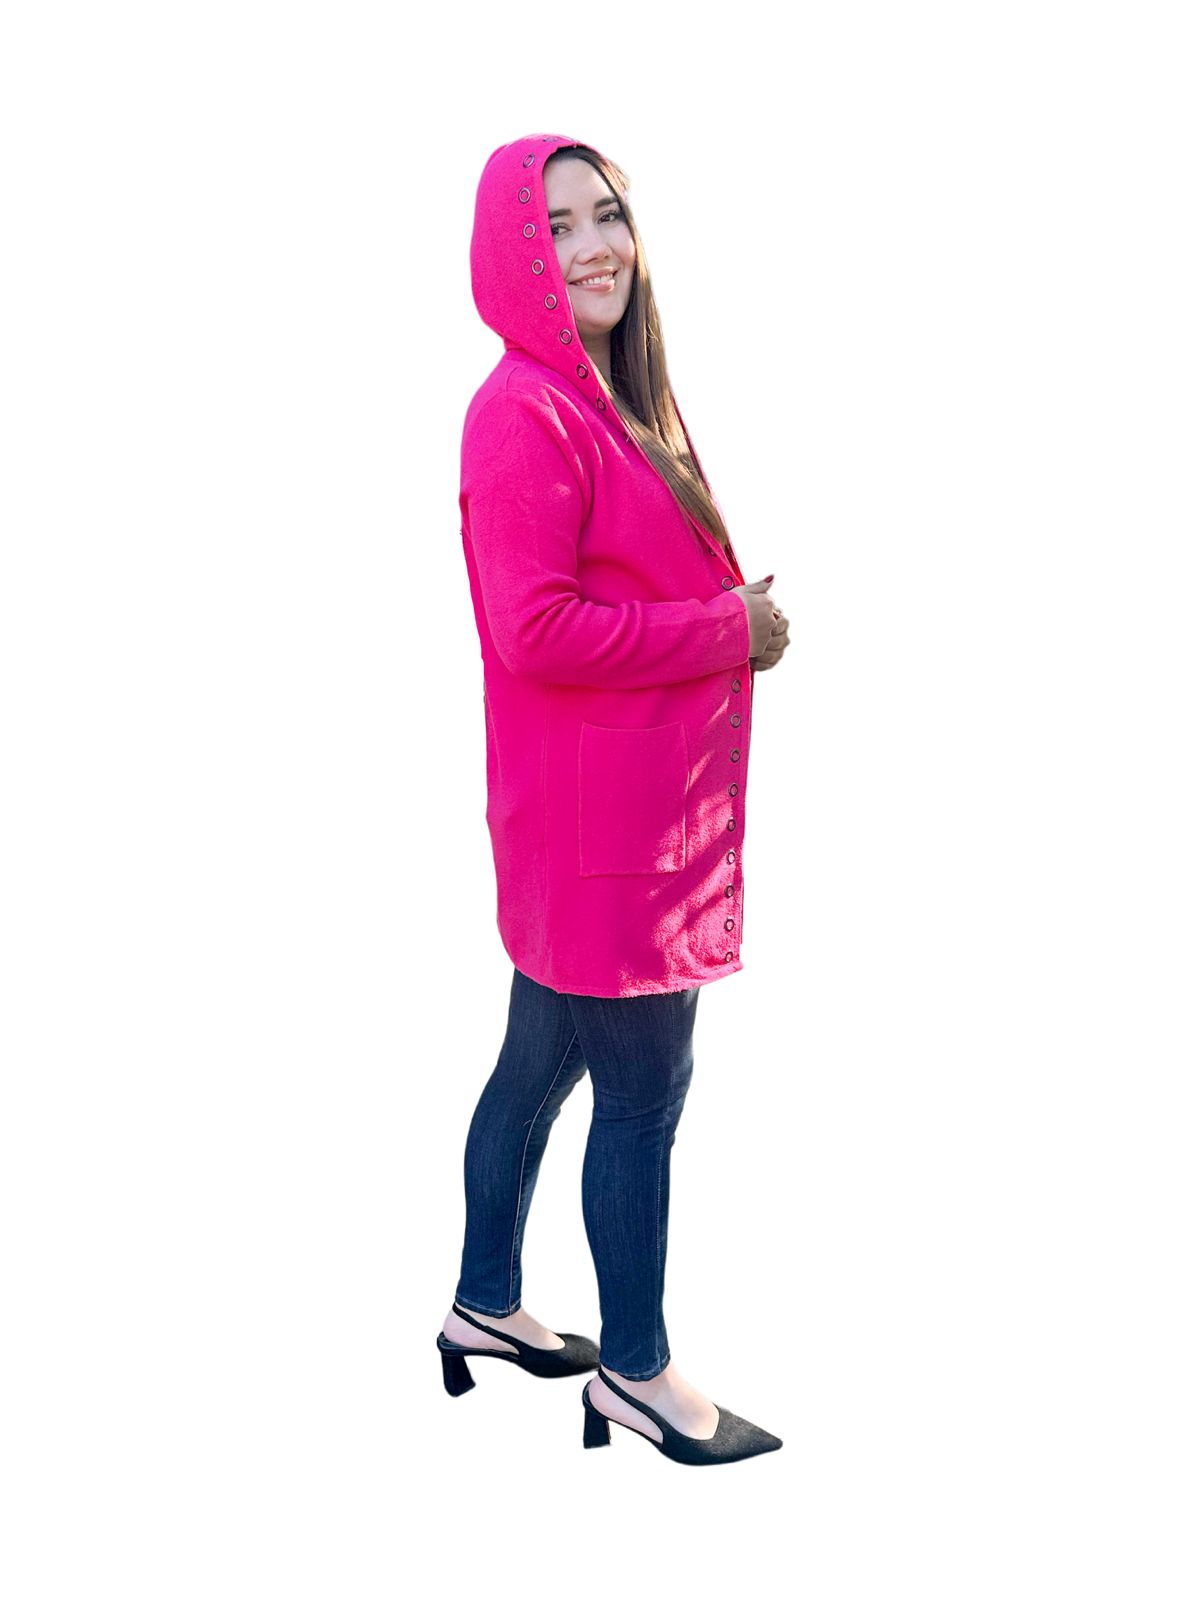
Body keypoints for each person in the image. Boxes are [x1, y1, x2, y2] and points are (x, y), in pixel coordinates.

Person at [437, 134, 791, 1465]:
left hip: (616, 812)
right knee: (643, 1097)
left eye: (607, 216)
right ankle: (636, 1373)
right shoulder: (521, 413)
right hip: (607, 835)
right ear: (510, 255)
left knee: (537, 1066)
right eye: (556, 227)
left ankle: (483, 1305)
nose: (592, 247)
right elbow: (533, 630)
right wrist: (725, 628)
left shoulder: (612, 393)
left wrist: (715, 613)